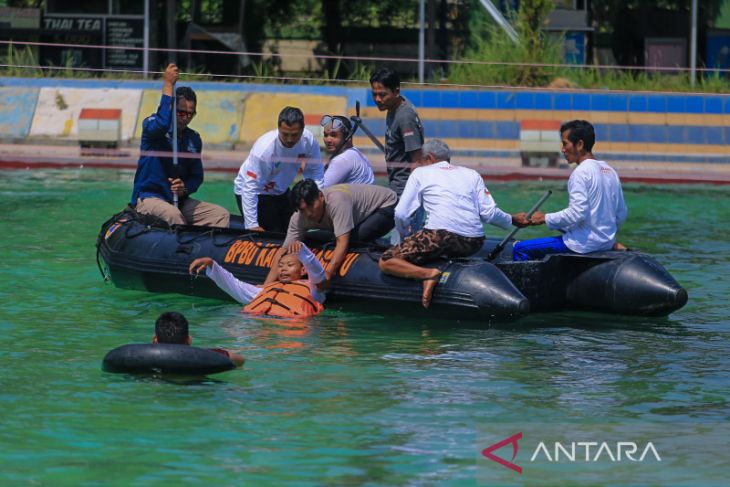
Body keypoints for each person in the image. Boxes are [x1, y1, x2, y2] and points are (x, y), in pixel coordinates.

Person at [379, 139, 530, 308]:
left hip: (440, 237)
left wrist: (405, 236)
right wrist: (512, 219)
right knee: (437, 244)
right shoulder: (472, 174)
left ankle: (428, 274)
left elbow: (401, 213)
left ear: (429, 158)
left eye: (420, 160)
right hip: (474, 241)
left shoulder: (421, 173)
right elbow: (489, 213)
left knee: (387, 261)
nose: (418, 164)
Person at [513, 120, 628, 261]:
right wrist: (604, 237)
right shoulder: (610, 171)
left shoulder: (580, 173)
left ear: (579, 145)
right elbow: (621, 213)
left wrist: (544, 218)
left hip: (582, 245)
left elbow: (577, 213)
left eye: (565, 143)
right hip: (606, 243)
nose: (562, 149)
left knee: (520, 249)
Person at [131, 63, 230, 227]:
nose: (185, 118)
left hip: (179, 201)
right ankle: (182, 250)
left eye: (190, 114)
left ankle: (211, 250)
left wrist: (184, 188)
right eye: (180, 112)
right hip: (150, 198)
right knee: (173, 215)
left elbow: (197, 177)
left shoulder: (194, 139)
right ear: (171, 109)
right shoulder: (152, 127)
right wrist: (168, 85)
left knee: (220, 215)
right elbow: (163, 123)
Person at [264, 179, 397, 286]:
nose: (309, 213)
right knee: (307, 239)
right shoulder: (298, 218)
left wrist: (328, 272)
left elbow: (342, 242)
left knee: (354, 239)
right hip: (356, 217)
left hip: (386, 205)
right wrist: (266, 286)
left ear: (321, 196)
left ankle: (380, 245)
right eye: (303, 210)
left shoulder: (337, 202)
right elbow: (283, 251)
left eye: (311, 206)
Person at [233, 107, 324, 233]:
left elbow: (315, 173)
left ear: (303, 130)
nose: (289, 140)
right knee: (275, 234)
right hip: (256, 192)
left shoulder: (309, 141)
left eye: (294, 135)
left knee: (296, 231)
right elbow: (250, 187)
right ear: (278, 129)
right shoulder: (264, 150)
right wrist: (252, 225)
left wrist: (314, 199)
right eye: (285, 134)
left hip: (281, 190)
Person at [189, 241, 326, 318]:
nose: (283, 269)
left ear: (303, 271)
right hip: (258, 325)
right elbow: (236, 286)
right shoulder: (263, 291)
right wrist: (212, 264)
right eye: (280, 266)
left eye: (290, 265)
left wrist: (303, 251)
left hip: (290, 329)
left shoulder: (313, 290)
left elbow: (317, 272)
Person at [369, 67, 424, 196]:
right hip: (395, 183)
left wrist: (410, 196)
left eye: (382, 94)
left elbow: (417, 159)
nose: (377, 99)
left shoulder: (405, 117)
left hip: (404, 188)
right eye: (374, 94)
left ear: (396, 92)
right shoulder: (392, 107)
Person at [153, 311, 245, 366]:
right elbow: (240, 360)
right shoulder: (206, 357)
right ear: (189, 340)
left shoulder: (142, 356)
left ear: (155, 340)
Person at [320, 115, 375, 187]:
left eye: (334, 135)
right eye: (326, 135)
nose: (328, 140)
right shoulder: (357, 154)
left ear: (348, 137)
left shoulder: (342, 160)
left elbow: (319, 190)